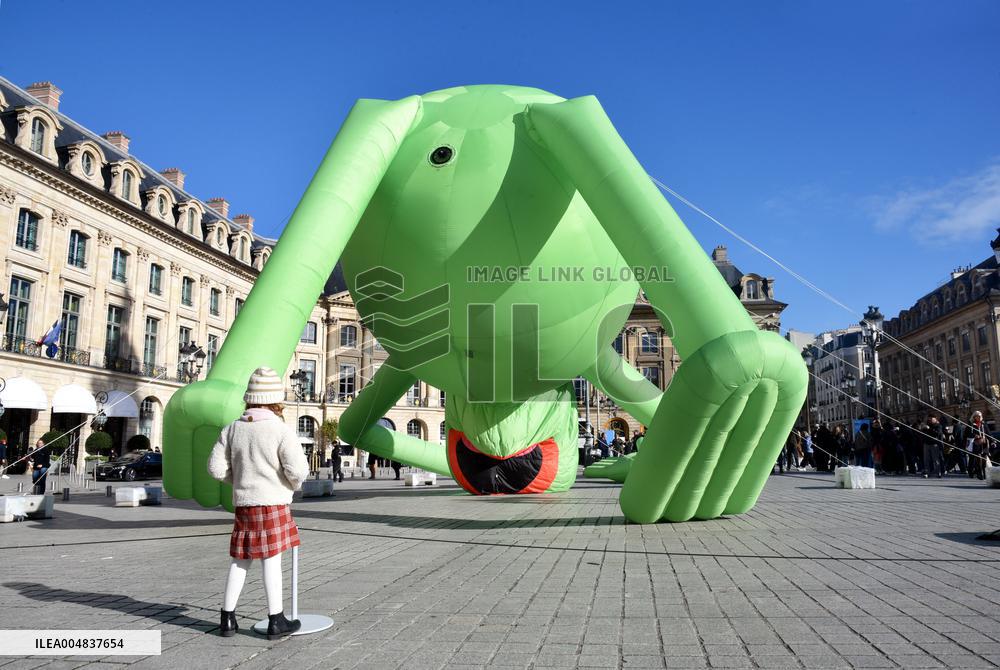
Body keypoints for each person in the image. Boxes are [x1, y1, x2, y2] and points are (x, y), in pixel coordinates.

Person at [208, 366, 309, 640]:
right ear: (276, 399)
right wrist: (291, 485)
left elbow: (215, 469)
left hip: (244, 504)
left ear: (249, 397)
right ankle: (276, 619)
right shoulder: (280, 430)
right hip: (273, 502)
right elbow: (298, 471)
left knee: (240, 560)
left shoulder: (231, 429)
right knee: (271, 560)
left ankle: (227, 619)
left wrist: (239, 480)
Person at [922, 414, 945, 478]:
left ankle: (938, 472)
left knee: (936, 459)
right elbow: (923, 433)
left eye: (931, 419)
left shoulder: (938, 425)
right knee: (926, 459)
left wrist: (929, 429)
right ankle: (927, 472)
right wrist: (924, 428)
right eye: (929, 419)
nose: (930, 420)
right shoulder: (927, 425)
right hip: (926, 444)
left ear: (935, 419)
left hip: (934, 444)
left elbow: (937, 433)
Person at [968, 411, 987, 480]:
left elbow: (988, 433)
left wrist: (993, 441)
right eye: (977, 416)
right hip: (976, 444)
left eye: (979, 416)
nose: (978, 417)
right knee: (978, 459)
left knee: (984, 460)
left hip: (984, 444)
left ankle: (985, 473)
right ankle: (979, 474)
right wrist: (974, 435)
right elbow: (967, 434)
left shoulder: (983, 424)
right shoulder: (971, 425)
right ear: (974, 417)